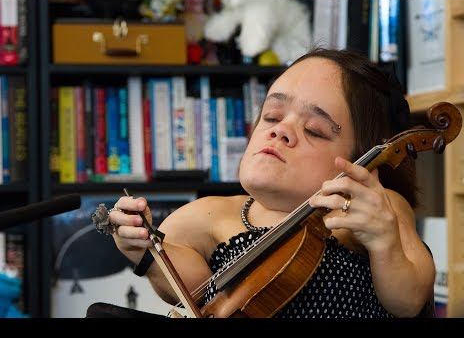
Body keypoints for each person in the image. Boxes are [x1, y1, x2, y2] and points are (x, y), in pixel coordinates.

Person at [96, 47, 436, 318]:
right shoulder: (209, 215)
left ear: (364, 161)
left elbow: (408, 302)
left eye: (314, 130)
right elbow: (199, 294)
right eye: (271, 116)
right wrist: (142, 248)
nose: (280, 130)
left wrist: (383, 240)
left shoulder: (374, 210)